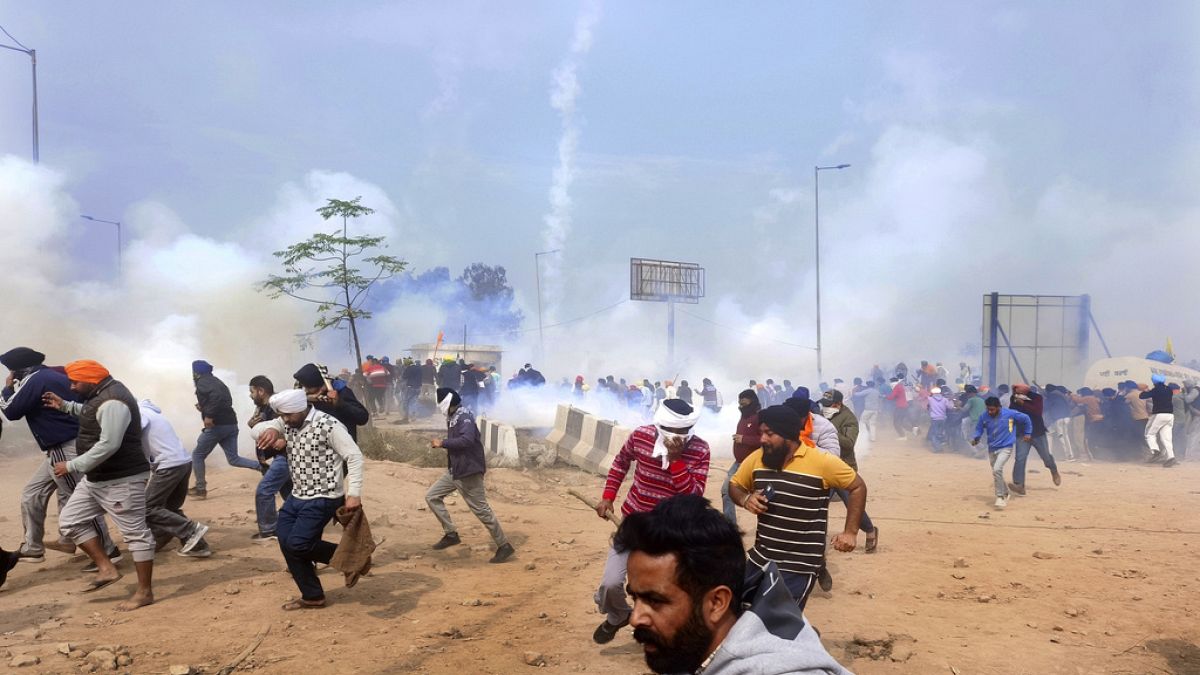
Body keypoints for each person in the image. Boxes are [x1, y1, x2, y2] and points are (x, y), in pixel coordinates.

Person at [616, 494, 850, 675]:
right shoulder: (692, 648)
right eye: (634, 598)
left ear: (717, 602)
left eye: (655, 601)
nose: (635, 618)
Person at [592, 399, 710, 645]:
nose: (679, 436)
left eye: (684, 431)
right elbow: (620, 463)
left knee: (662, 591)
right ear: (661, 425)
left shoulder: (700, 450)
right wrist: (608, 497)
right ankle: (618, 615)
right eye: (674, 431)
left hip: (671, 534)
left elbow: (693, 496)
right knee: (610, 584)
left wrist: (676, 460)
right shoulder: (641, 436)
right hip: (632, 524)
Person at [728, 405, 867, 612]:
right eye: (761, 433)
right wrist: (746, 498)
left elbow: (857, 487)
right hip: (761, 558)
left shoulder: (821, 461)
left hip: (799, 565)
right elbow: (734, 486)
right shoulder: (758, 458)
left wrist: (850, 532)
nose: (763, 439)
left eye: (769, 434)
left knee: (775, 622)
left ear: (788, 436)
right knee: (738, 612)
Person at [45, 360, 155, 610]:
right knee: (70, 520)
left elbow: (109, 444)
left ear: (91, 380)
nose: (71, 387)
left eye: (75, 382)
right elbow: (92, 414)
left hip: (122, 480)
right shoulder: (101, 395)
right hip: (98, 478)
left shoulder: (113, 401)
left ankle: (144, 592)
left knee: (136, 535)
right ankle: (106, 569)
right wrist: (65, 406)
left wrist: (72, 466)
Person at [1, 347, 117, 565]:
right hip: (61, 447)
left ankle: (109, 551)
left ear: (18, 370)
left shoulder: (35, 379)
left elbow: (11, 410)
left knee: (78, 499)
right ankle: (33, 547)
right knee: (32, 493)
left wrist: (7, 389)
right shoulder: (56, 375)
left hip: (65, 447)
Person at [250, 388, 365, 610]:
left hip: (324, 496)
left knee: (298, 544)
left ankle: (352, 558)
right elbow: (256, 430)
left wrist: (354, 493)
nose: (284, 420)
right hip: (298, 494)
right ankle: (313, 595)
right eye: (281, 416)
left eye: (287, 415)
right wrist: (274, 429)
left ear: (301, 409)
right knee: (285, 540)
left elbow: (354, 456)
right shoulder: (288, 423)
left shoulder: (329, 425)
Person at [425, 388, 515, 563]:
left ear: (447, 403)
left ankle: (504, 546)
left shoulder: (463, 417)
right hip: (456, 470)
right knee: (432, 496)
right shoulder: (452, 416)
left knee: (481, 510)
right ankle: (451, 534)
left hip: (469, 471)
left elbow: (466, 440)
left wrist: (442, 443)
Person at [138, 400, 212, 557]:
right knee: (169, 509)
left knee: (148, 508)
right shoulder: (151, 412)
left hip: (168, 465)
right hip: (183, 462)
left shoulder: (139, 413)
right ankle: (198, 546)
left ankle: (191, 530)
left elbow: (133, 434)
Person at [190, 360, 259, 498]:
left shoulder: (203, 381)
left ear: (197, 372)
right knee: (233, 459)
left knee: (197, 455)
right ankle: (264, 468)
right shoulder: (216, 381)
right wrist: (204, 408)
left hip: (218, 426)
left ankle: (200, 489)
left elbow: (217, 397)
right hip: (231, 424)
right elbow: (224, 400)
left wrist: (208, 415)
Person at [820, 390, 879, 553]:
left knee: (852, 504)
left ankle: (870, 530)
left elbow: (849, 443)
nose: (824, 408)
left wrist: (829, 430)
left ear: (838, 404)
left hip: (843, 468)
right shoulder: (821, 415)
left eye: (828, 405)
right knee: (819, 505)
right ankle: (817, 540)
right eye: (823, 405)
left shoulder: (849, 419)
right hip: (824, 466)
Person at [971, 397, 1033, 510]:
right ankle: (1005, 491)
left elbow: (1026, 418)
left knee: (997, 469)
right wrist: (976, 437)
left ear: (999, 407)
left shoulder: (1010, 414)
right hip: (992, 448)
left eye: (993, 409)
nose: (990, 412)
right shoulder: (983, 416)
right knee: (996, 472)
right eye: (988, 409)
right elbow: (979, 428)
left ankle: (1000, 496)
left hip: (1006, 447)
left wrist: (1027, 433)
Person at [249, 376, 289, 540]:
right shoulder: (262, 408)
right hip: (276, 458)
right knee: (292, 494)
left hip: (284, 457)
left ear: (260, 391)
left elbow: (291, 425)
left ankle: (269, 530)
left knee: (265, 491)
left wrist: (284, 440)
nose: (250, 395)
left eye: (252, 392)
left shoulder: (277, 406)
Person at [293, 363, 371, 441]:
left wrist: (340, 404)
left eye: (308, 387)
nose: (306, 390)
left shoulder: (342, 392)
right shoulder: (307, 399)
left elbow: (362, 417)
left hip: (342, 444)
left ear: (321, 384)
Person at [1008, 384, 1062, 494]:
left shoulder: (1037, 398)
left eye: (1016, 390)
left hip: (1037, 432)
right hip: (1022, 433)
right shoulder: (1014, 398)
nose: (1014, 392)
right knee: (1020, 458)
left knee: (1046, 456)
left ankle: (1053, 470)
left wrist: (1023, 403)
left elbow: (1037, 411)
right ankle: (1019, 485)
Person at [721, 390, 762, 524]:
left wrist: (744, 439)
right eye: (740, 403)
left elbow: (764, 439)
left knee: (763, 496)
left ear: (752, 402)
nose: (741, 406)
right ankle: (730, 526)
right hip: (739, 463)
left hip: (754, 464)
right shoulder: (743, 417)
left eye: (744, 403)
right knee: (726, 491)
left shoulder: (759, 418)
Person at [1141, 375, 1177, 467]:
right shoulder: (1169, 389)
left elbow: (1142, 396)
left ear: (1154, 382)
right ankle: (1171, 457)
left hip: (1159, 414)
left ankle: (1155, 450)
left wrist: (1145, 390)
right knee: (1166, 438)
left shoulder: (1155, 389)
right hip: (1170, 415)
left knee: (1149, 434)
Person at [925, 386, 952, 452]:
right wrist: (950, 400)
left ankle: (938, 448)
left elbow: (927, 405)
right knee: (939, 433)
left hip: (934, 419)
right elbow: (950, 407)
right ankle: (940, 444)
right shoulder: (945, 399)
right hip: (943, 418)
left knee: (934, 434)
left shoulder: (930, 399)